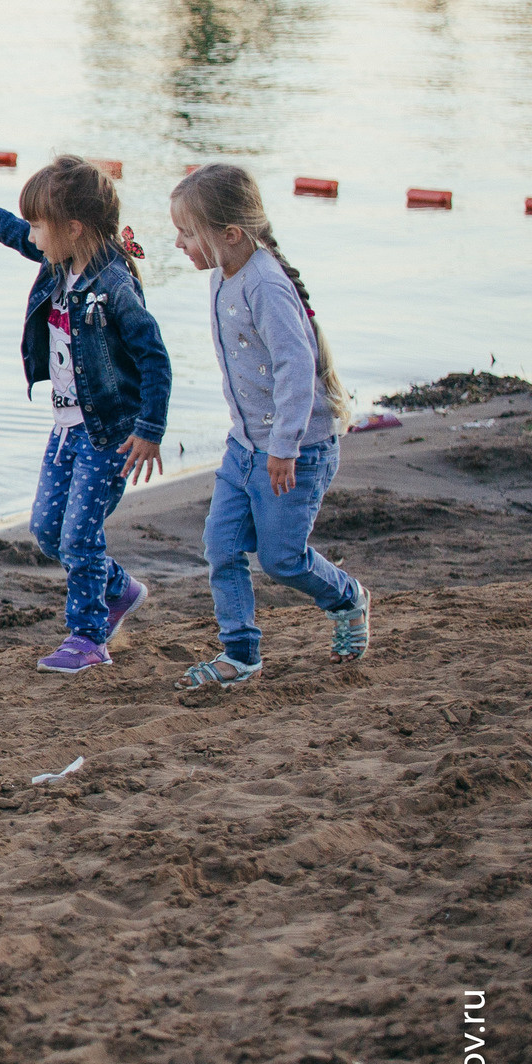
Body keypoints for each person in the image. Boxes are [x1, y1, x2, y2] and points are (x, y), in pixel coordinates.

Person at [0, 157, 171, 673]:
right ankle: (119, 588)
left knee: (78, 536)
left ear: (73, 228)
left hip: (110, 435)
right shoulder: (60, 262)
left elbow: (154, 357)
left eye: (39, 225)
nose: (31, 234)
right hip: (67, 427)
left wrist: (150, 430)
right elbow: (6, 227)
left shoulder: (114, 286)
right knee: (48, 531)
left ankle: (89, 637)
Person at [166, 163, 368, 689]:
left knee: (282, 560)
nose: (179, 243)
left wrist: (283, 447)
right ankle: (240, 654)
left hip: (294, 451)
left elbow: (295, 367)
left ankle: (348, 597)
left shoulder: (266, 285)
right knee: (222, 547)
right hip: (244, 449)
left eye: (188, 233)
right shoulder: (222, 274)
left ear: (229, 235)